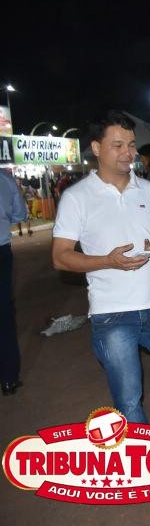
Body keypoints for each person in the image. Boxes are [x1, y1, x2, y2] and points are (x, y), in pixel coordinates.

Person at [51, 111, 150, 434]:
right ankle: (143, 457)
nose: (128, 153)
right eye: (117, 145)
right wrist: (107, 261)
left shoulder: (148, 190)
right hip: (111, 313)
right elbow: (61, 257)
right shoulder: (77, 197)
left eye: (131, 145)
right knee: (129, 399)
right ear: (95, 147)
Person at [1, 167, 27, 395]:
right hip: (0, 252)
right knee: (3, 315)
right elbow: (20, 215)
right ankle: (8, 378)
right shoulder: (5, 180)